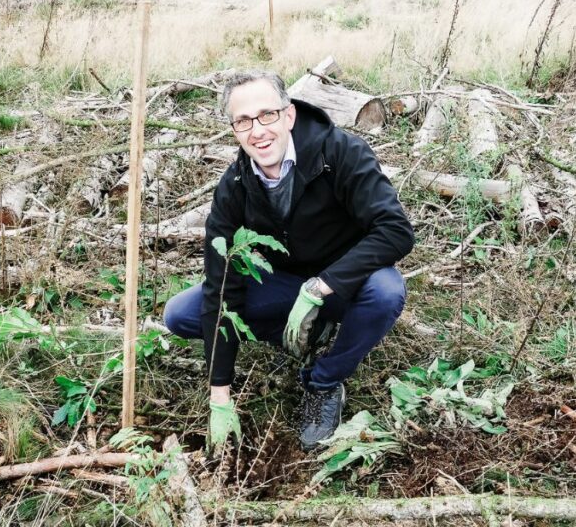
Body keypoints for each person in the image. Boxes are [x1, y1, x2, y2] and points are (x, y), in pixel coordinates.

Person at [163, 71, 414, 453]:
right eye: (243, 121)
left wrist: (321, 287)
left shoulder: (341, 153)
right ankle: (309, 333)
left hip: (345, 283)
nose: (257, 131)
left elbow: (396, 230)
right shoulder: (234, 186)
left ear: (289, 116)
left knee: (386, 291)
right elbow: (222, 286)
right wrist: (219, 398)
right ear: (233, 129)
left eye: (267, 115)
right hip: (282, 285)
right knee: (182, 313)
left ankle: (324, 381)